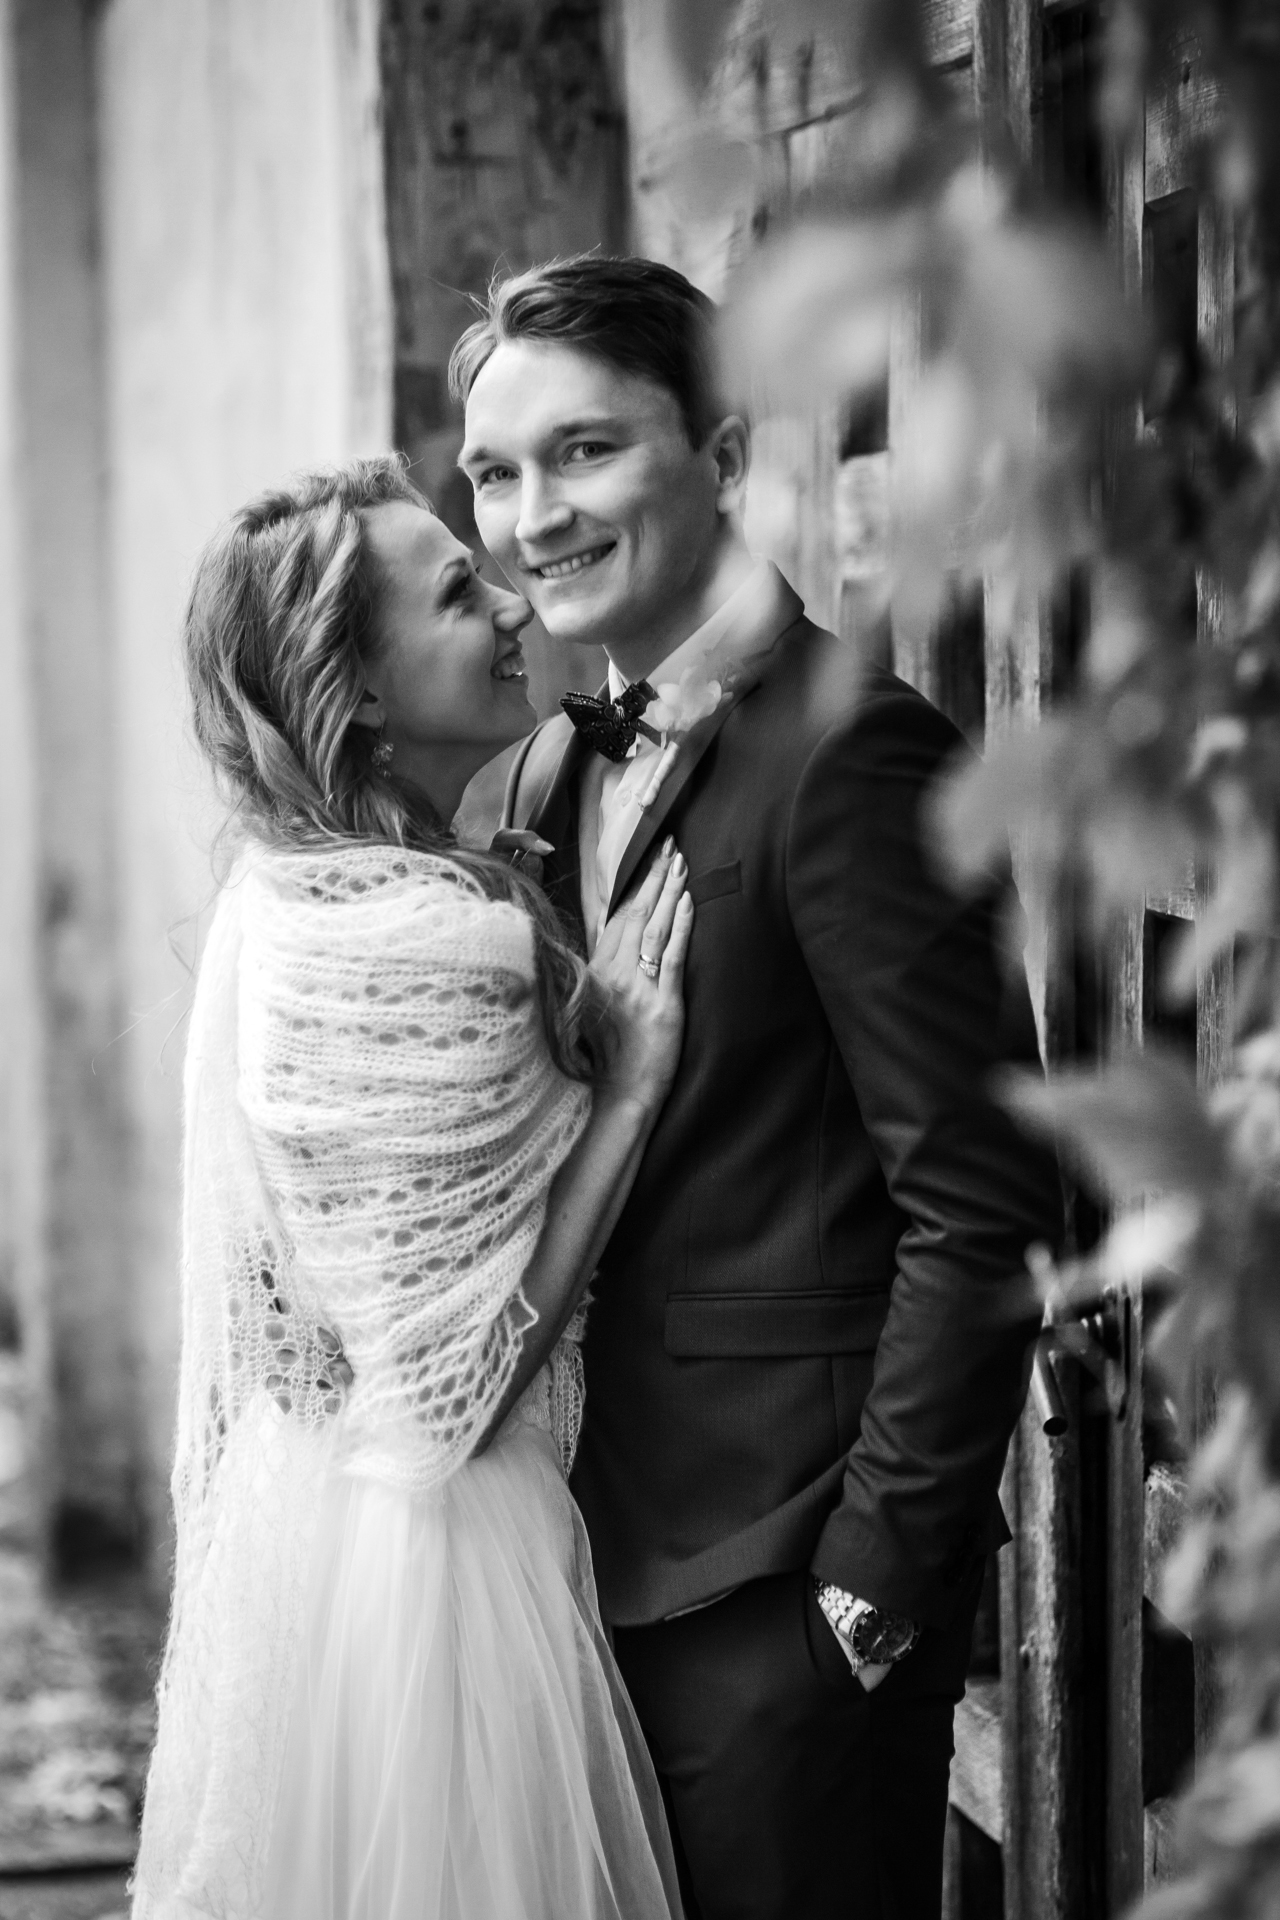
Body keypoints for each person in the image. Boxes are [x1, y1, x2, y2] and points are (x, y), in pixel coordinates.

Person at [454, 255, 1065, 1920]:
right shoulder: (535, 771)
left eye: (585, 451)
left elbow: (982, 1201)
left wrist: (868, 1593)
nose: (532, 517)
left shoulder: (858, 750)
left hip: (778, 1608)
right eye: (497, 474)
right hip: (558, 1586)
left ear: (722, 456)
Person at [131, 457, 690, 1920]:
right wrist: (628, 1088)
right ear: (362, 689)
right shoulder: (417, 941)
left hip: (318, 1534)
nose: (512, 601)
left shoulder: (295, 890)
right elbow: (453, 1398)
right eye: (457, 593)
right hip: (436, 1578)